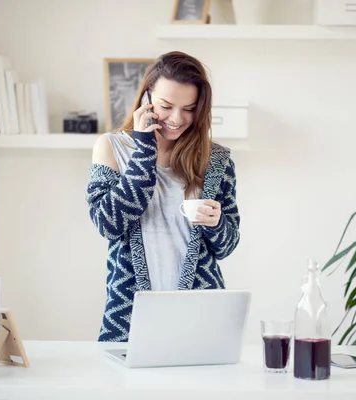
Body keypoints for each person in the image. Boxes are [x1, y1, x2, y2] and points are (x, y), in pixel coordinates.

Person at [86, 51, 241, 342]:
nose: (176, 118)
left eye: (189, 108)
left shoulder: (217, 161)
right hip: (129, 312)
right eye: (166, 106)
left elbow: (227, 246)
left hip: (202, 313)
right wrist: (144, 150)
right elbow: (108, 224)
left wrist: (217, 223)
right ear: (146, 99)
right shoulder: (110, 147)